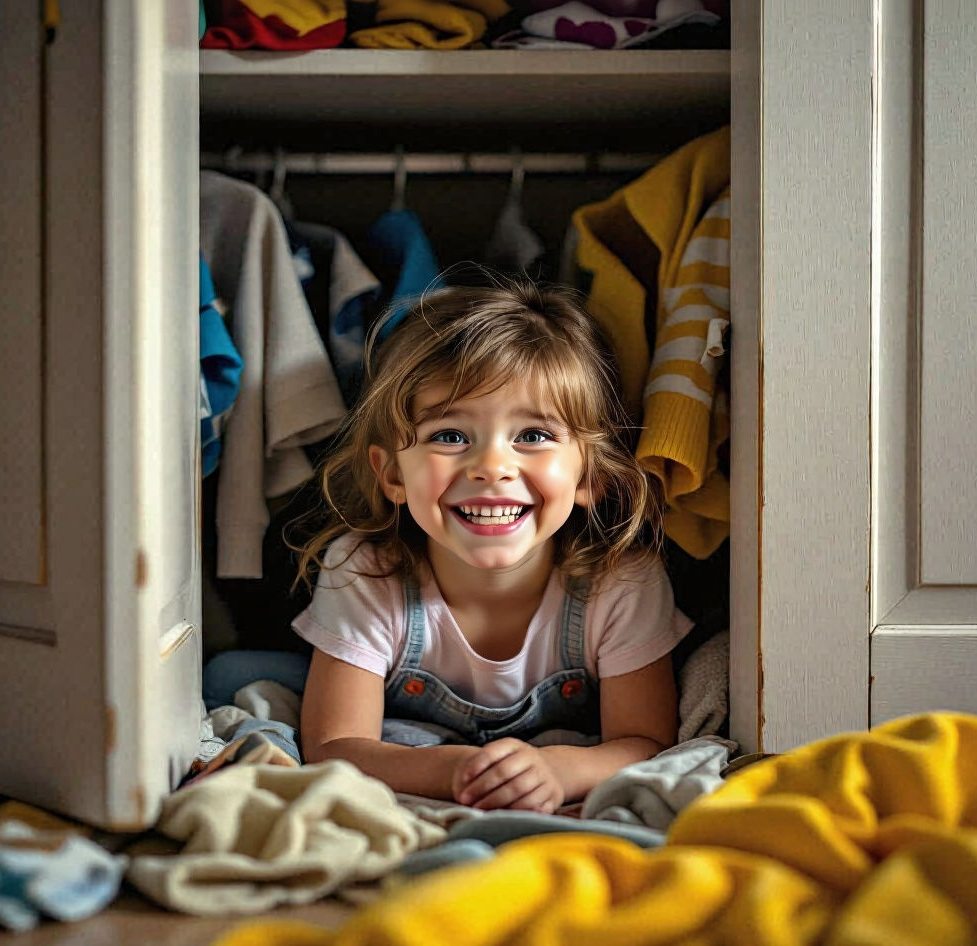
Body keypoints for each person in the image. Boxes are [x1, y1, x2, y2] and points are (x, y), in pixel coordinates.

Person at [288, 279, 692, 813]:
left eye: (533, 436)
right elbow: (334, 747)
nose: (492, 467)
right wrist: (461, 771)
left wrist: (557, 770)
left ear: (590, 476)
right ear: (392, 476)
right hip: (430, 764)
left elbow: (645, 743)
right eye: (450, 436)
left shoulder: (622, 581)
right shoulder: (363, 570)